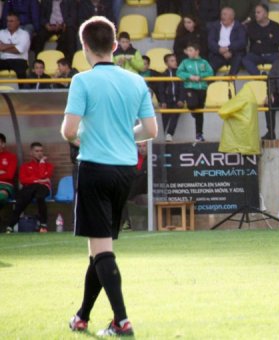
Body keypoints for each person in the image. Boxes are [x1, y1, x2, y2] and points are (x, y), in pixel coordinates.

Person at [61, 15, 157, 336]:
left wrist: (90, 137)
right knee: (98, 250)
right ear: (115, 46)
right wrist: (121, 135)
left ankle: (121, 320)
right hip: (124, 172)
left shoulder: (82, 81)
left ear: (84, 47)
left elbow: (69, 131)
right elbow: (151, 130)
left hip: (95, 168)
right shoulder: (136, 82)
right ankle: (82, 317)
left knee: (102, 251)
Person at [4, 142, 54, 233]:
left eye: (41, 151)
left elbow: (42, 175)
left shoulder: (48, 166)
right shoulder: (25, 166)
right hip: (30, 188)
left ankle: (43, 225)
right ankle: (10, 226)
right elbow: (23, 180)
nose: (40, 153)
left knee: (40, 196)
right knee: (22, 200)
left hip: (43, 187)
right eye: (37, 151)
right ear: (31, 153)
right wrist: (38, 180)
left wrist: (42, 163)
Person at [177, 42, 214, 142]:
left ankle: (199, 134)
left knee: (199, 112)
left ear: (197, 51)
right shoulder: (185, 62)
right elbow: (179, 72)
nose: (188, 52)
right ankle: (193, 111)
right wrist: (190, 76)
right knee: (192, 105)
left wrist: (200, 77)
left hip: (202, 88)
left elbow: (210, 72)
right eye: (187, 50)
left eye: (190, 50)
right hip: (190, 87)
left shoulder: (204, 62)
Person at [242, 3, 279, 75]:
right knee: (245, 59)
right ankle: (259, 76)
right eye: (255, 12)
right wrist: (268, 37)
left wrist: (260, 40)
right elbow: (253, 39)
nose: (256, 14)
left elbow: (276, 42)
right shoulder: (251, 26)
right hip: (256, 55)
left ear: (266, 14)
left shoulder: (276, 26)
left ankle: (270, 78)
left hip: (272, 54)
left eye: (258, 12)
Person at [207, 6, 247, 75]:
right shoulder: (214, 26)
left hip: (234, 53)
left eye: (225, 14)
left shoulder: (240, 27)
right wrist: (219, 50)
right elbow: (211, 41)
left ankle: (229, 81)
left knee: (238, 59)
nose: (222, 16)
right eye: (222, 14)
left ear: (232, 16)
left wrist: (229, 49)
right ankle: (211, 85)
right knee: (210, 67)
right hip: (218, 53)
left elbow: (242, 42)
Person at [121, 142, 148, 230]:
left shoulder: (152, 158)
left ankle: (126, 222)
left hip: (146, 187)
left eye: (144, 146)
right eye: (139, 146)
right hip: (134, 188)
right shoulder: (133, 158)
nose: (142, 149)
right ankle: (126, 222)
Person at [158, 53, 185, 142]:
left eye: (175, 60)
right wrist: (163, 101)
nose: (175, 62)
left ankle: (169, 134)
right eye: (172, 61)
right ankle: (161, 134)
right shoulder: (163, 75)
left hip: (177, 101)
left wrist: (181, 99)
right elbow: (161, 90)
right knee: (164, 117)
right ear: (166, 63)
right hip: (167, 101)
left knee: (175, 115)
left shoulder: (180, 74)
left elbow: (182, 88)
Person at [0, 13, 31, 88]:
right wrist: (14, 44)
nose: (9, 23)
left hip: (19, 60)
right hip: (3, 60)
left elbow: (19, 50)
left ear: (18, 22)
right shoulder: (1, 33)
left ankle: (23, 93)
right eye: (8, 21)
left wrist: (4, 47)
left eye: (11, 21)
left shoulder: (24, 34)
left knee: (21, 70)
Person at [0, 133, 17, 209]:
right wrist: (3, 172)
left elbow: (10, 175)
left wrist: (5, 174)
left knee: (1, 197)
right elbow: (6, 174)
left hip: (5, 185)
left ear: (3, 144)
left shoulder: (11, 157)